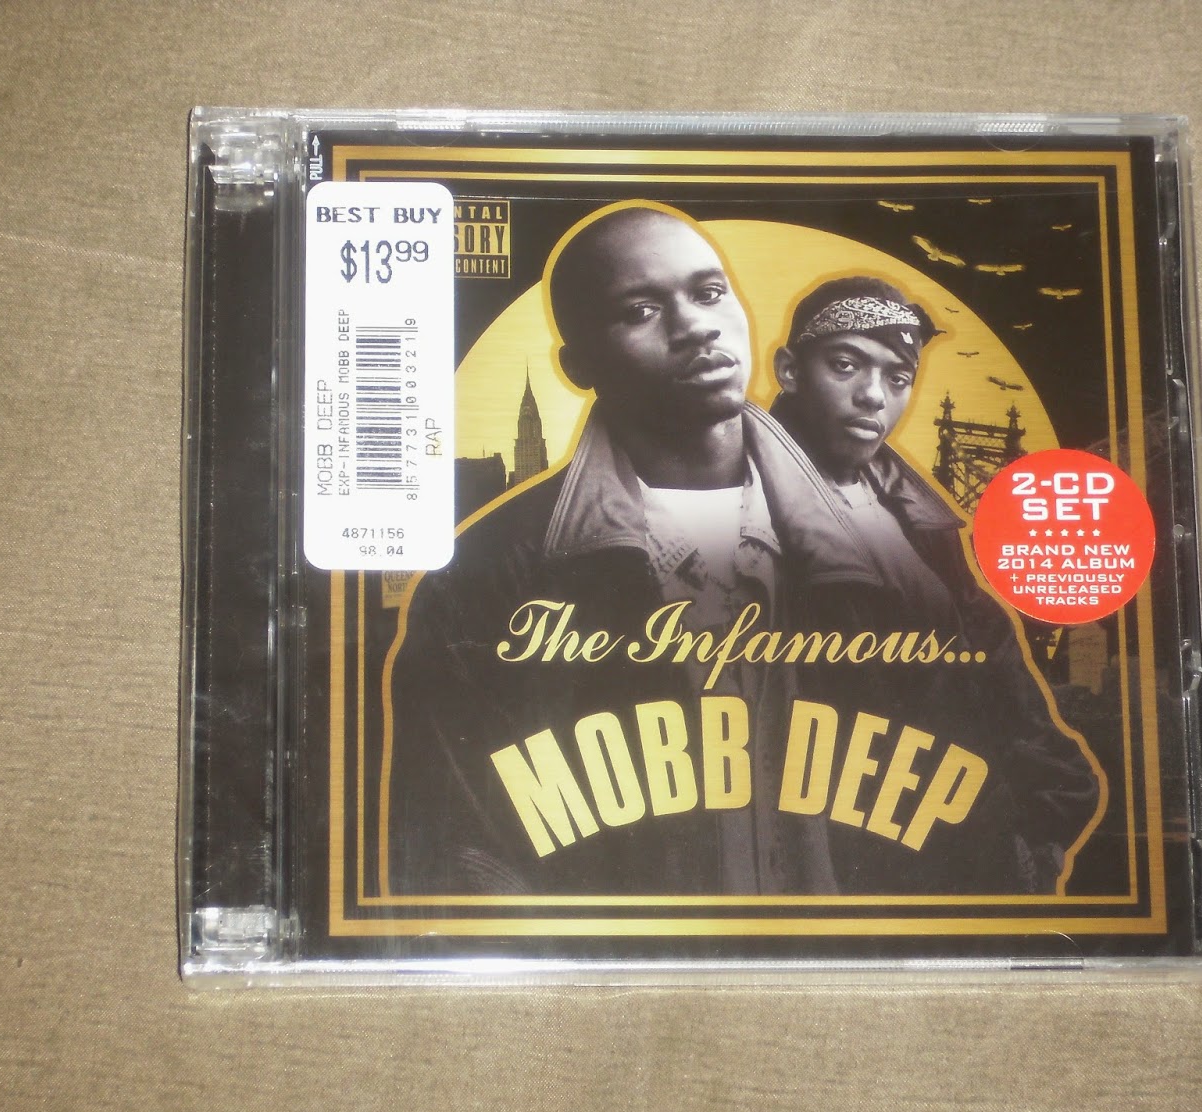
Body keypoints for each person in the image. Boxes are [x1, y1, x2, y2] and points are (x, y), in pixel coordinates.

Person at [380, 204, 891, 897]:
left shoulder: (898, 545)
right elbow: (453, 853)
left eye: (709, 292)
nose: (696, 326)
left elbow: (1017, 786)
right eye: (642, 311)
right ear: (579, 365)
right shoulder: (487, 576)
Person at [770, 276, 1104, 892]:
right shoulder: (735, 503)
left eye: (898, 378)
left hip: (969, 854)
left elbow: (997, 661)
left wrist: (1044, 822)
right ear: (789, 370)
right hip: (852, 860)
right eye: (845, 365)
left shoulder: (918, 517)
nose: (873, 396)